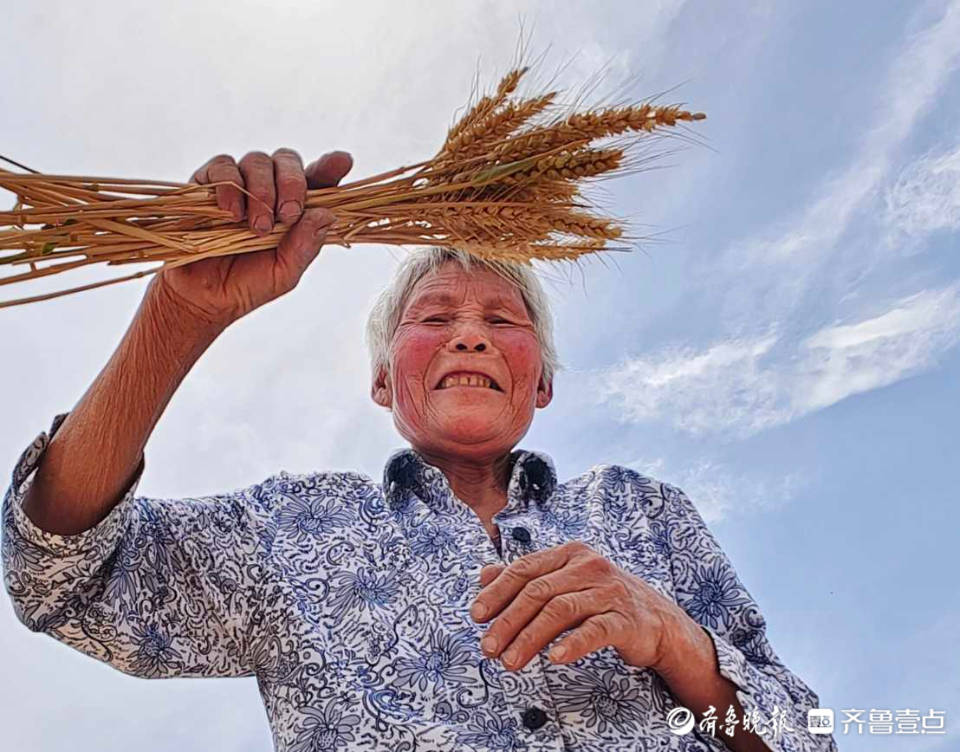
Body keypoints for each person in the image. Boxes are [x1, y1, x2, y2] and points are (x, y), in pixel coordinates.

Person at [1, 148, 837, 752]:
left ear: (540, 383)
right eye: (434, 319)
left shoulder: (642, 513)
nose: (469, 336)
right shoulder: (294, 527)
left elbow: (806, 740)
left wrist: (676, 639)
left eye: (502, 322)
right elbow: (62, 574)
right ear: (381, 383)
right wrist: (176, 320)